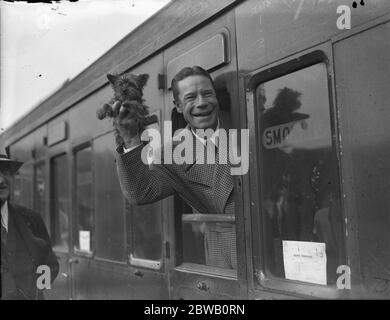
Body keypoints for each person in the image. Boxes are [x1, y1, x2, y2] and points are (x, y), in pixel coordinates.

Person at [113, 66, 236, 268]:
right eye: (190, 98)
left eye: (207, 94)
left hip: (268, 254)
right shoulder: (171, 154)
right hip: (223, 260)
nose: (202, 103)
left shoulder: (247, 126)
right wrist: (130, 138)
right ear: (178, 106)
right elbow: (140, 193)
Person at [1, 147, 59, 300]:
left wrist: (36, 289)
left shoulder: (31, 219)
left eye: (5, 171)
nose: (1, 180)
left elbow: (51, 264)